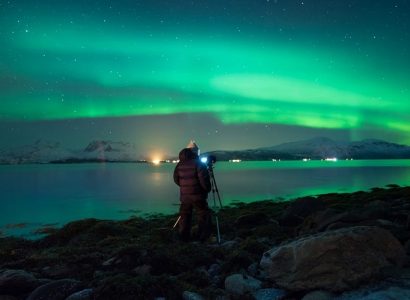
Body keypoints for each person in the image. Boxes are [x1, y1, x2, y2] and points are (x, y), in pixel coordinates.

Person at [173, 141, 212, 242]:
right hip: (198, 196)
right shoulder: (198, 164)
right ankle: (202, 237)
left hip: (185, 196)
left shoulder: (179, 164)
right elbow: (204, 181)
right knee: (203, 214)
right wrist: (206, 190)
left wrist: (184, 187)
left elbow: (176, 179)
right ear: (194, 153)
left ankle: (183, 237)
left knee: (185, 215)